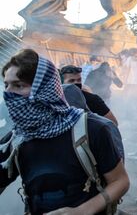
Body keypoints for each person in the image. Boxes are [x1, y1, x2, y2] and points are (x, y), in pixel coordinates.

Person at [0, 49, 129, 214]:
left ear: (44, 88)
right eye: (6, 85)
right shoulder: (17, 139)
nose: (8, 94)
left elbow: (120, 181)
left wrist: (81, 211)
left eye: (18, 85)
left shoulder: (91, 129)